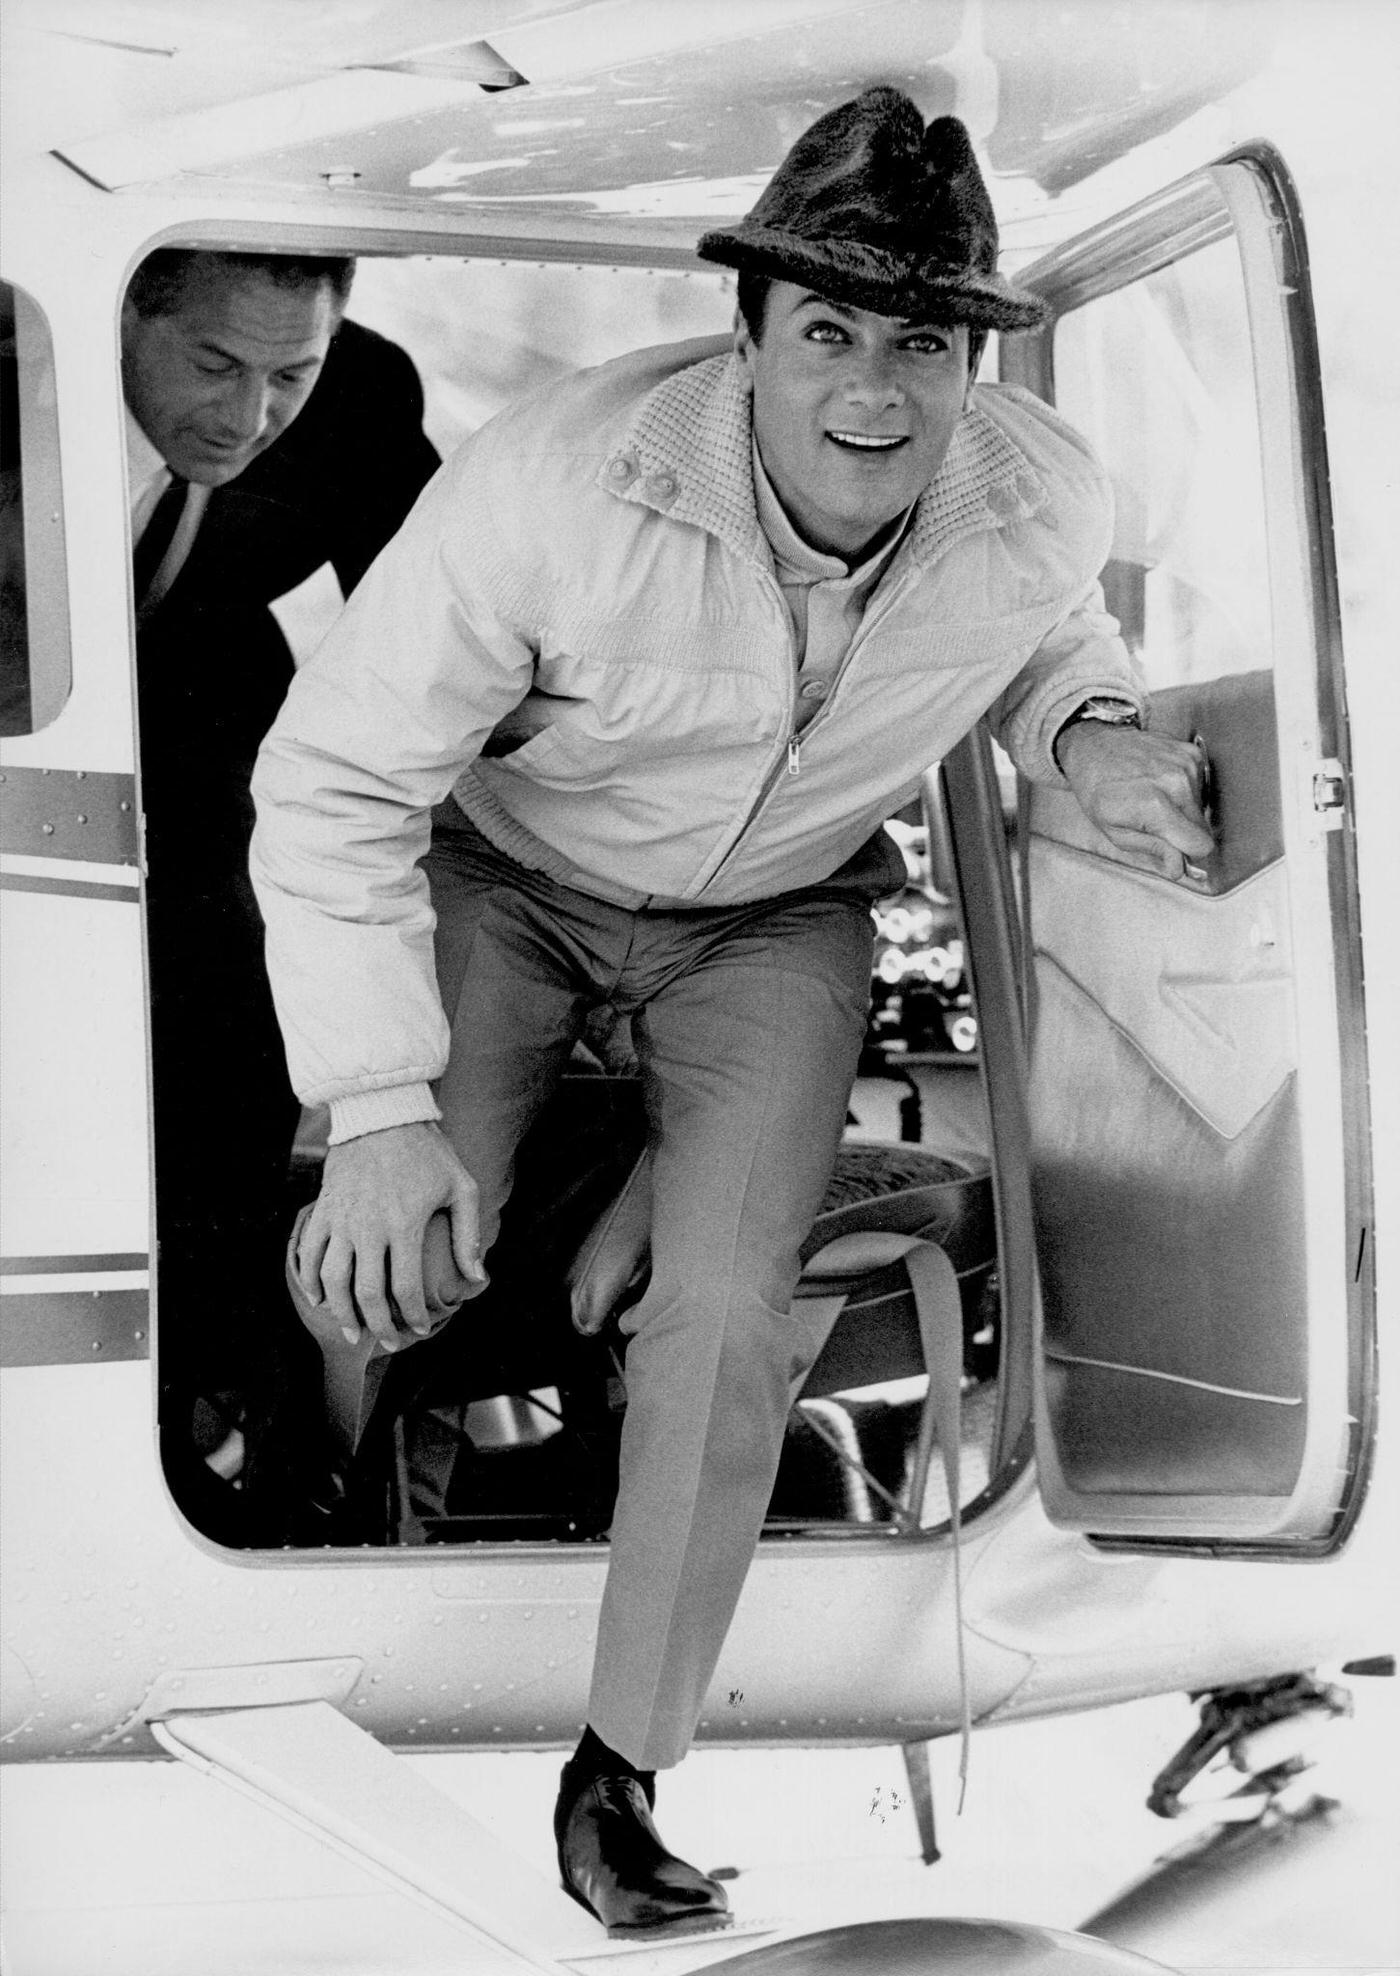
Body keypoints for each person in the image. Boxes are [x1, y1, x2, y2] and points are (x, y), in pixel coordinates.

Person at [250, 91, 1213, 1935]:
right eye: (831, 332)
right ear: (750, 335)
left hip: (776, 923)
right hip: (511, 886)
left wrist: (1087, 737)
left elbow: (1043, 642)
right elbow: (335, 784)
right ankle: (330, 1451)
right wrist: (371, 1105)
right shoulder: (553, 482)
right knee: (406, 1230)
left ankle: (621, 1772)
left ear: (969, 360)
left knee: (724, 1303)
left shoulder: (1035, 492)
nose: (875, 387)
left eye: (921, 342)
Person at [124, 249, 440, 1536]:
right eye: (212, 366)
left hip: (213, 719)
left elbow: (450, 621)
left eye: (286, 375)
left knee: (233, 1070)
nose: (249, 416)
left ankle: (198, 1423)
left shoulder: (363, 396)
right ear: (124, 313)